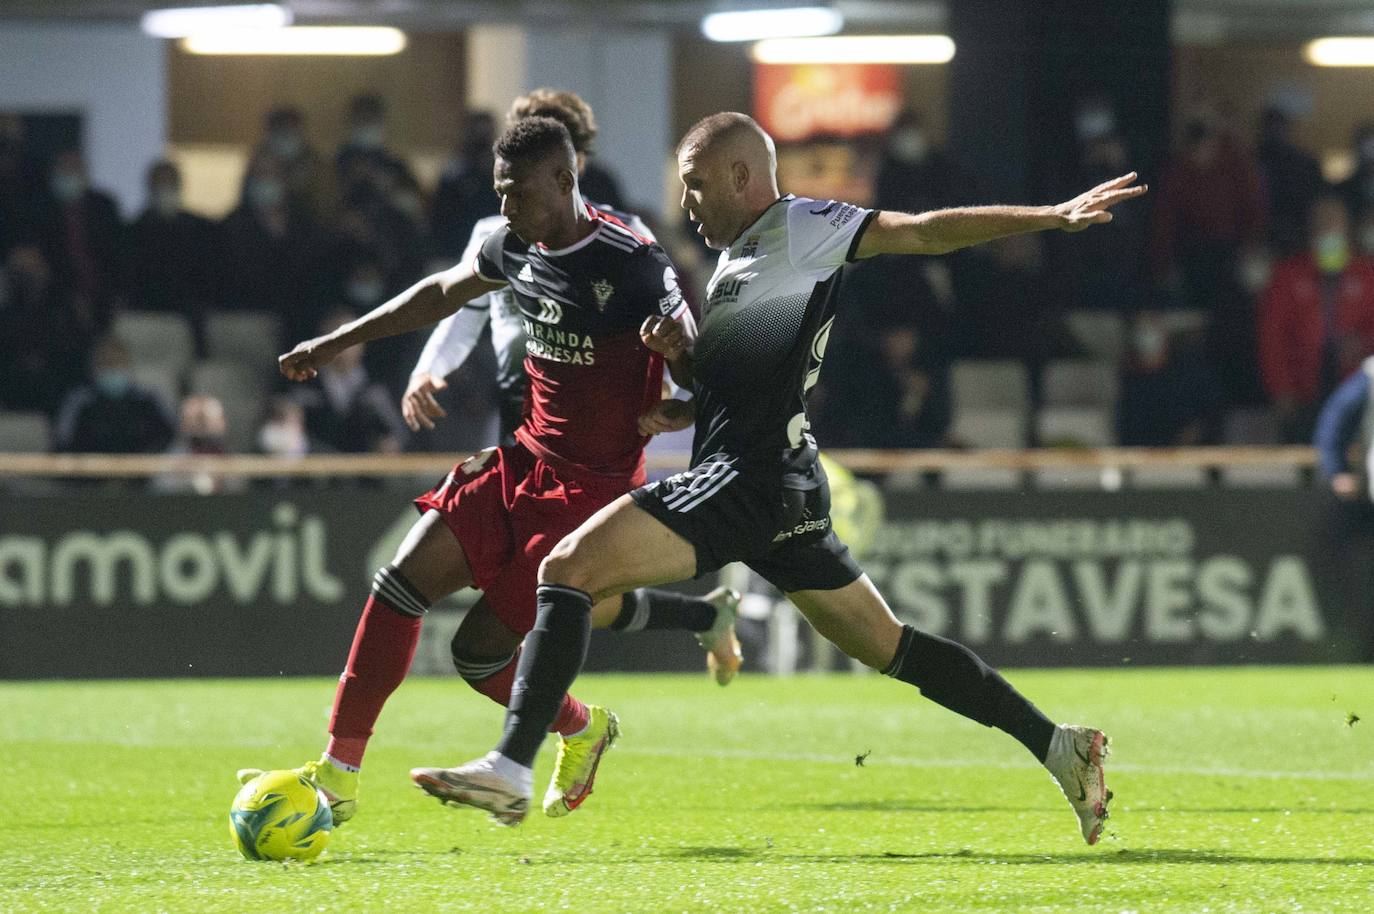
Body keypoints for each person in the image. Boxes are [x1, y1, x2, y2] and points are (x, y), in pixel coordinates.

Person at [420, 113, 1144, 845]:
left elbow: (922, 230)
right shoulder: (738, 260)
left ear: (742, 176)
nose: (687, 203)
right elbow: (735, 378)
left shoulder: (803, 226)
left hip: (749, 478)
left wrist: (1051, 217)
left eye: (697, 185)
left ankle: (511, 766)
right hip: (784, 485)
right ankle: (1060, 747)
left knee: (566, 568)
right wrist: (682, 382)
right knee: (891, 646)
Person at [243, 117, 740, 827]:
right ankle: (338, 774)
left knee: (478, 656)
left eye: (519, 193)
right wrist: (336, 340)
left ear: (565, 182)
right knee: (399, 582)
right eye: (500, 193)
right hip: (522, 460)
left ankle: (582, 727)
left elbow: (701, 368)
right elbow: (438, 294)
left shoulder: (632, 262)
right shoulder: (512, 244)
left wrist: (681, 398)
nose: (506, 209)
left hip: (589, 494)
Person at [406, 88, 659, 446]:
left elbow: (670, 325)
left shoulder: (627, 234)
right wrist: (428, 370)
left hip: (604, 434)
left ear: (578, 162)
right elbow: (460, 316)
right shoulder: (491, 236)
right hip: (519, 425)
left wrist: (666, 388)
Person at [1258, 194, 1374, 443]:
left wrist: (1362, 342)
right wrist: (1282, 389)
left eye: (1335, 222)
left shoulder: (1366, 273)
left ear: (1348, 228)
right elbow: (1272, 337)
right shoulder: (1288, 274)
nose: (1328, 228)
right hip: (1303, 390)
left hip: (1356, 388)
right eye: (1322, 222)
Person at [53, 334, 175, 455]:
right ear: (95, 368)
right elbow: (64, 440)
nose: (112, 368)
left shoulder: (147, 399)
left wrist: (147, 458)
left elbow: (169, 435)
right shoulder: (79, 401)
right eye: (106, 363)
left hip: (141, 471)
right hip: (89, 471)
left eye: (118, 363)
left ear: (128, 365)